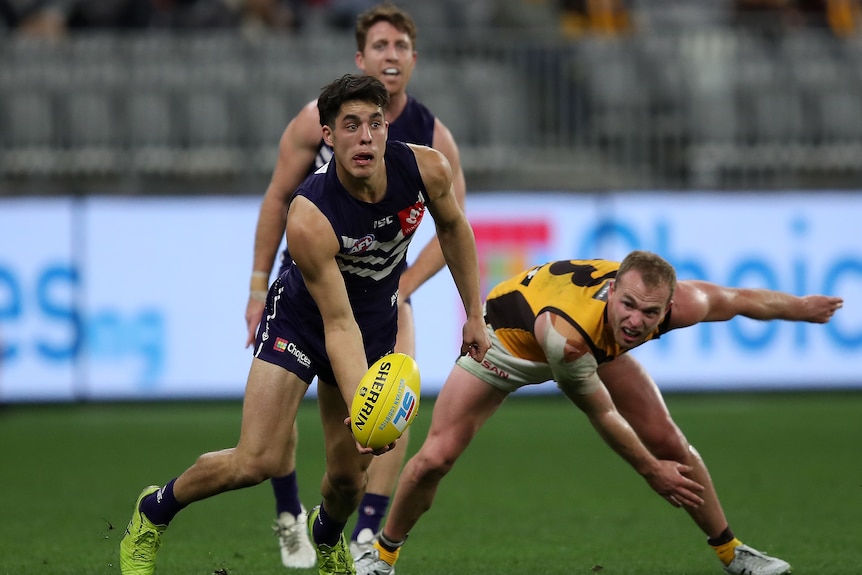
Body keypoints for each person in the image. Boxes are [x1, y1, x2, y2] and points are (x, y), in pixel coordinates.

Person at [120, 73, 490, 575]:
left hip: (374, 322)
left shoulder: (428, 169)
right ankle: (153, 511)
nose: (364, 136)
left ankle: (326, 535)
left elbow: (454, 230)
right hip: (302, 320)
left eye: (375, 124)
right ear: (329, 136)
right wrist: (365, 403)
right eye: (350, 125)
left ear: (388, 128)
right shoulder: (310, 215)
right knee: (257, 460)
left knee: (347, 481)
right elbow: (336, 324)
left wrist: (474, 313)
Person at [355, 250, 844, 575]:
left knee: (671, 440)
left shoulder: (673, 306)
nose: (637, 320)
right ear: (612, 293)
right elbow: (605, 416)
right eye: (628, 304)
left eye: (650, 313)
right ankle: (381, 554)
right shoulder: (567, 340)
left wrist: (799, 306)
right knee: (435, 458)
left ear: (668, 307)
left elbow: (738, 299)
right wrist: (651, 473)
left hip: (594, 342)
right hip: (510, 341)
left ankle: (732, 553)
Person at [244, 2, 469, 568]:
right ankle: (289, 515)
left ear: (413, 61)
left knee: (394, 405)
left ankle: (365, 530)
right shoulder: (314, 121)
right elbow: (277, 198)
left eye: (400, 47)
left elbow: (454, 227)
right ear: (361, 59)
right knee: (278, 420)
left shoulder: (432, 139)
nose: (390, 56)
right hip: (311, 279)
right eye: (380, 47)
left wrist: (407, 286)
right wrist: (254, 286)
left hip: (382, 289)